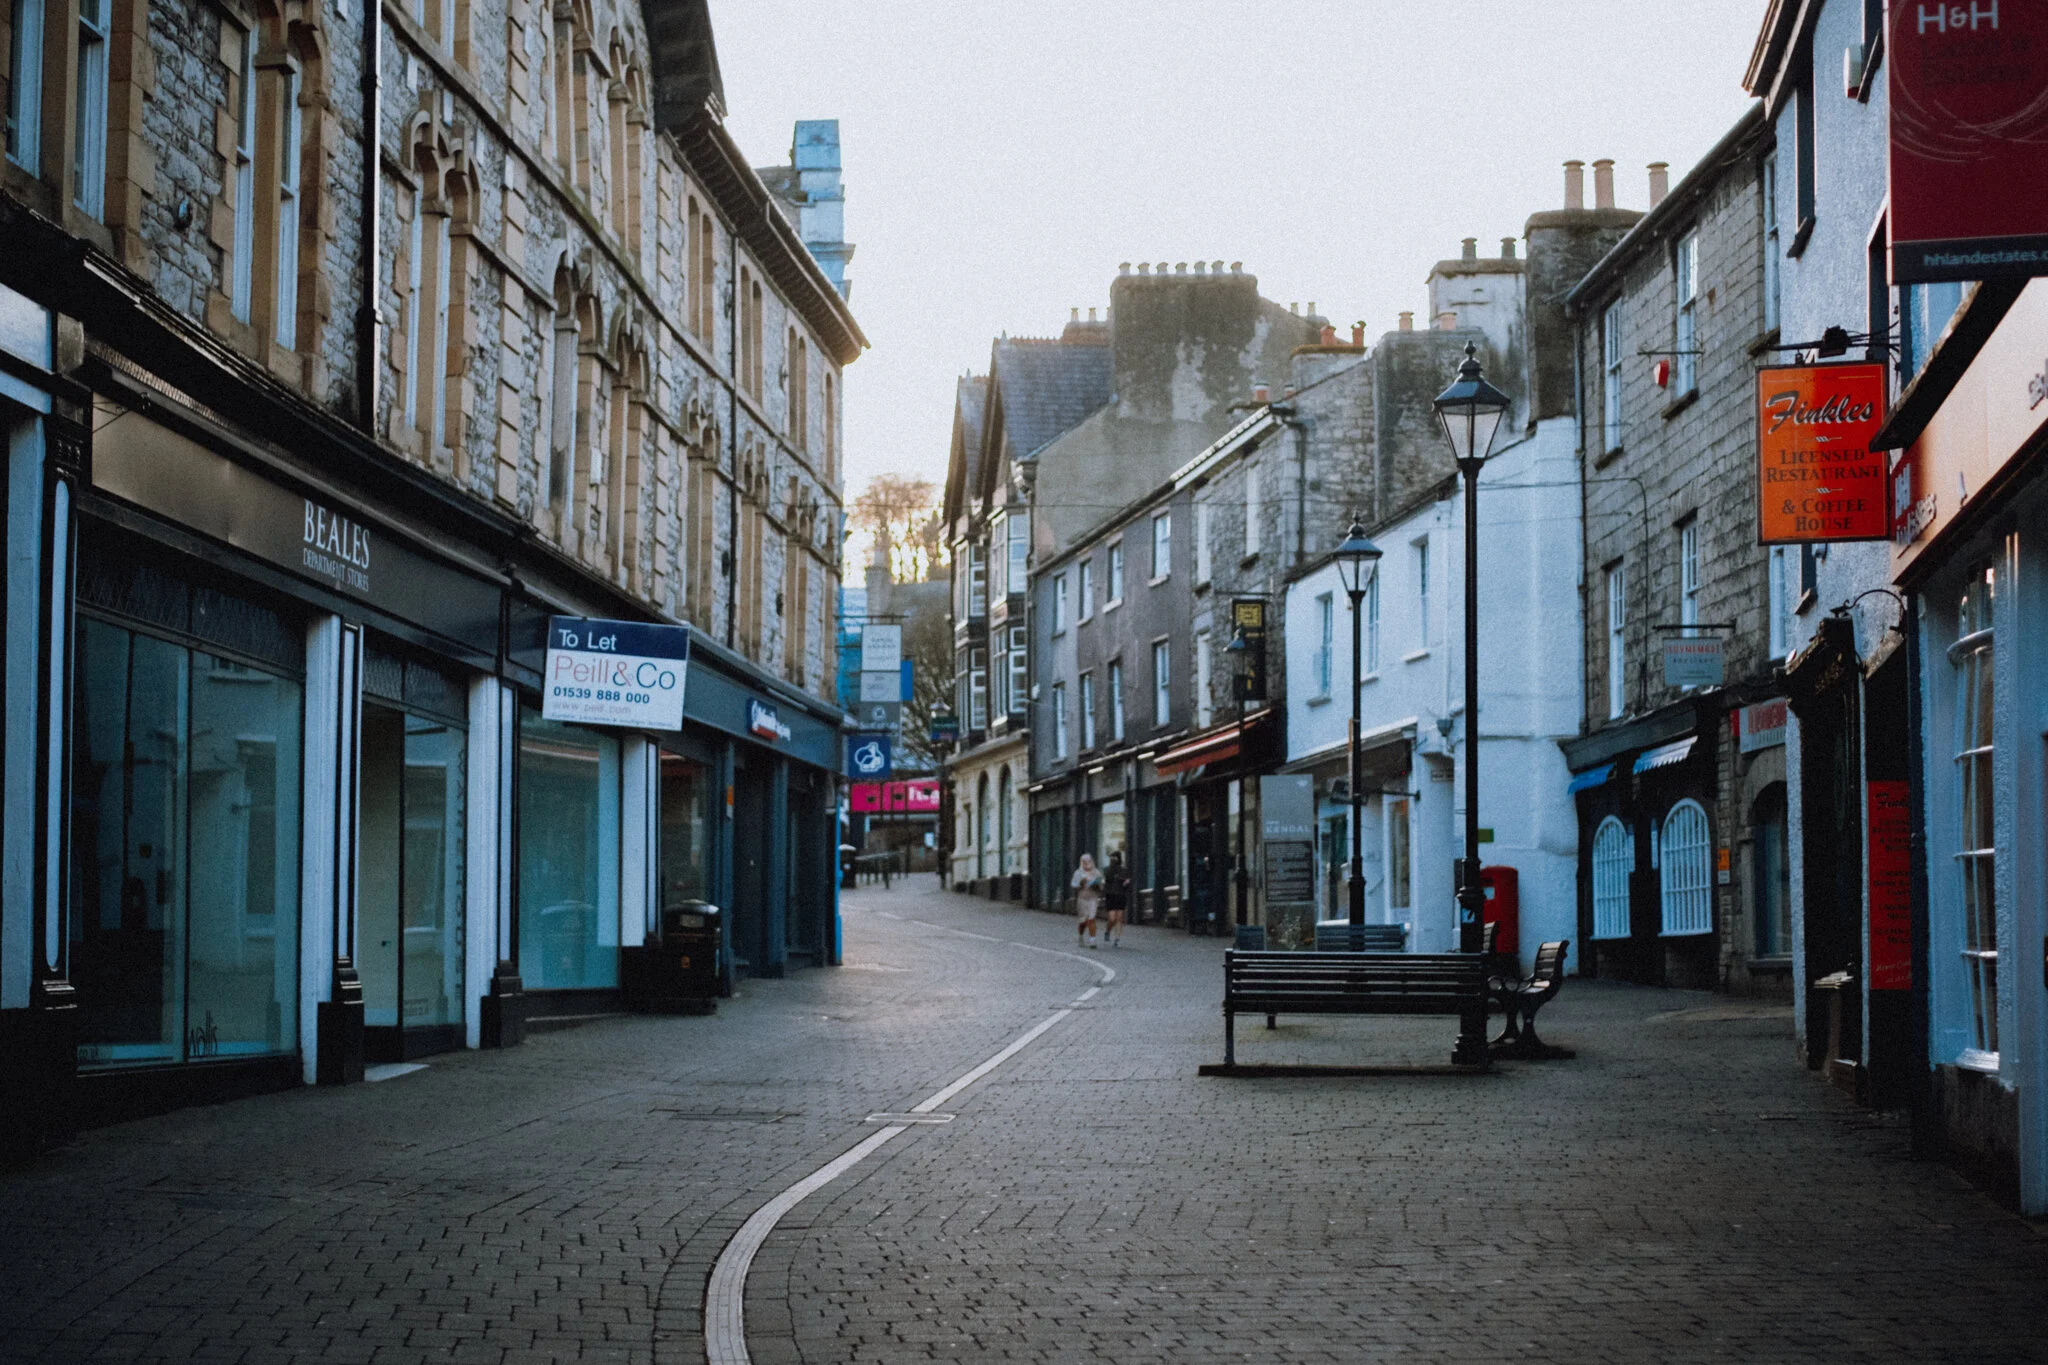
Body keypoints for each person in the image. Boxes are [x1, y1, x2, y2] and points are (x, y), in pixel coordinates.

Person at [1071, 852, 1104, 949]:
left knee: (1091, 918)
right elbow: (1073, 885)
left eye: (1088, 861)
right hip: (1082, 898)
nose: (1086, 863)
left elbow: (1101, 885)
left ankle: (1092, 940)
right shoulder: (1078, 873)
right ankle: (1081, 936)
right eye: (1084, 861)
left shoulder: (1096, 872)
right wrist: (1080, 883)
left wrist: (1097, 885)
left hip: (1093, 898)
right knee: (1083, 921)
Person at [1102, 850, 1130, 947]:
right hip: (1110, 895)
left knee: (1119, 917)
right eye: (1111, 858)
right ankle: (1108, 931)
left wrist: (1127, 883)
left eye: (1115, 857)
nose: (1113, 860)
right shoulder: (1107, 870)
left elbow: (1128, 882)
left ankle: (1117, 938)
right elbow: (1105, 881)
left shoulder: (1124, 870)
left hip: (1121, 895)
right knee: (1112, 918)